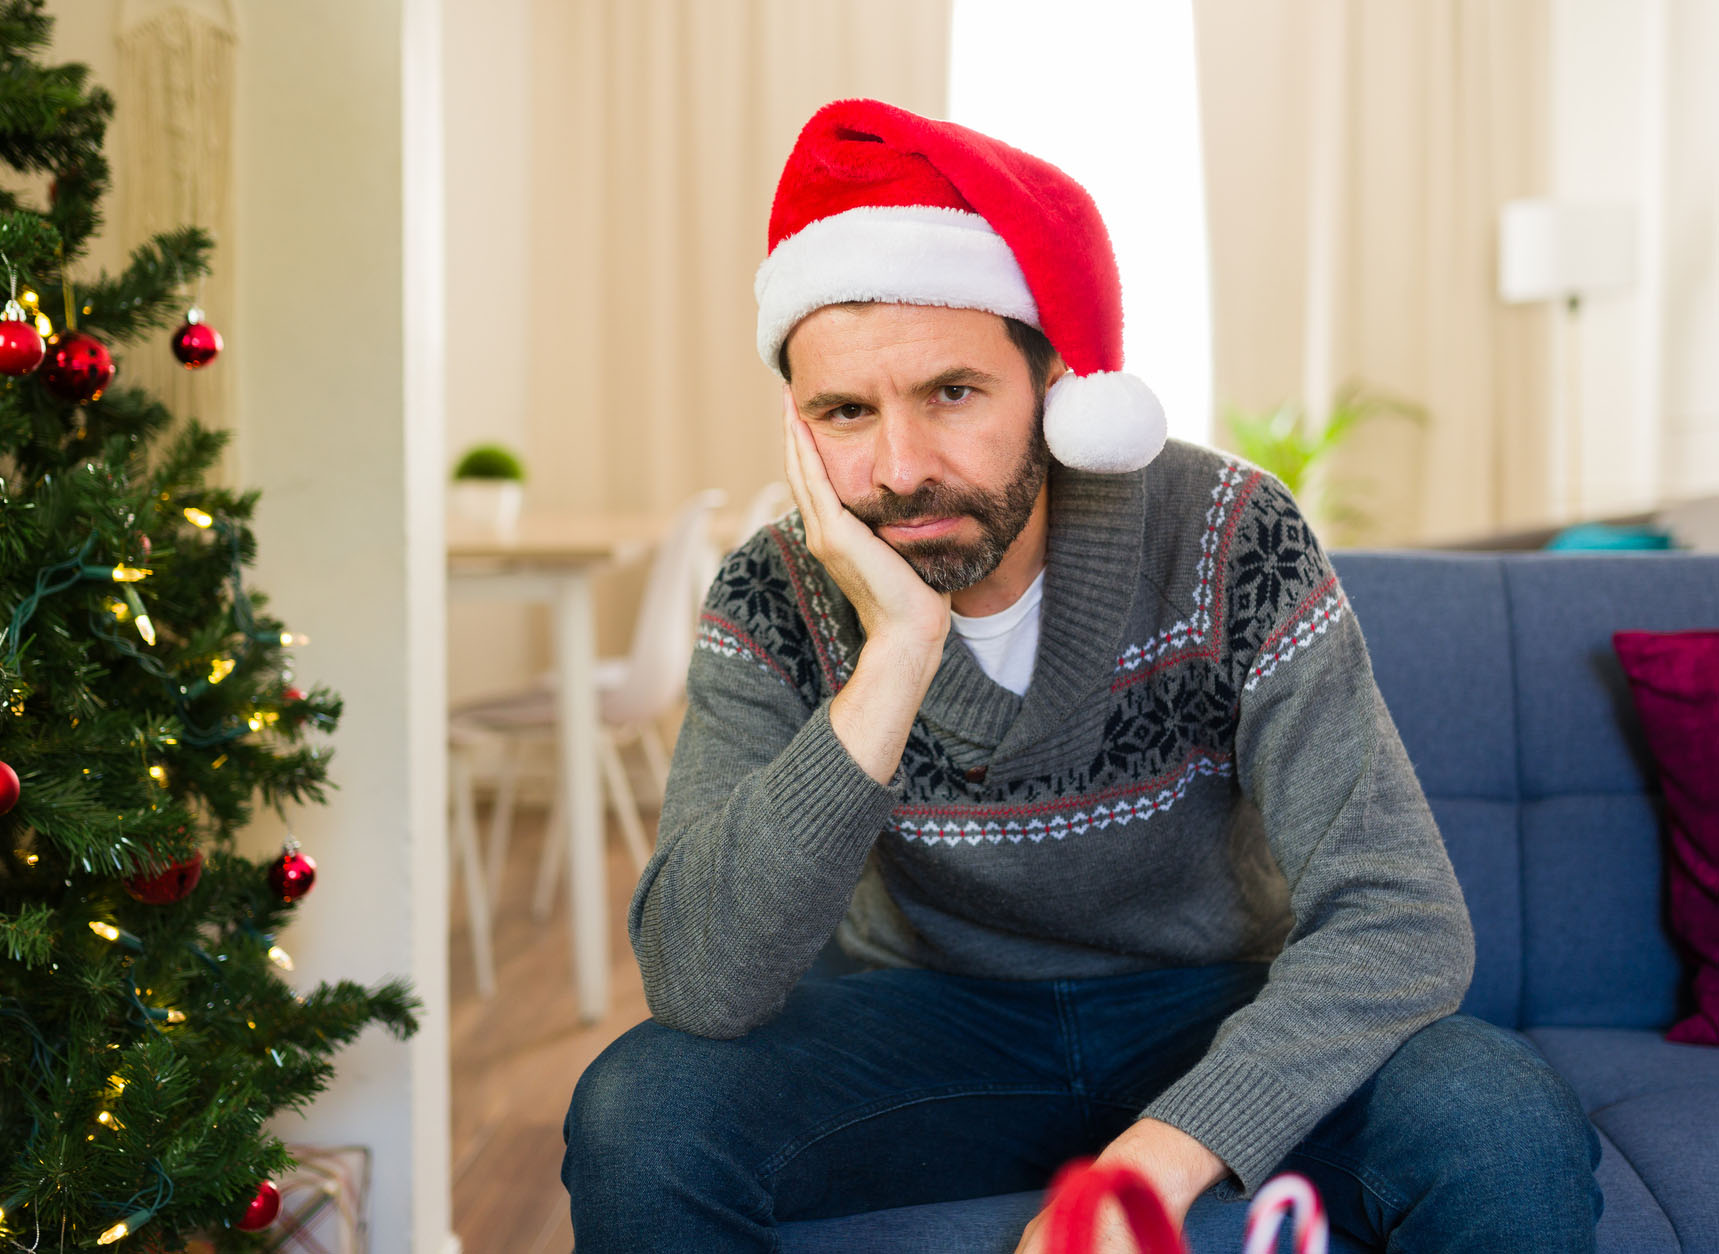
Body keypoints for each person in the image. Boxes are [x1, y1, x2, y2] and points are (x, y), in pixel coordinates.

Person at [561, 98, 1600, 1252]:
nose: (901, 470)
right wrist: (897, 651)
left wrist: (1156, 1165)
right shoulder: (775, 592)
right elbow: (702, 983)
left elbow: (1401, 917)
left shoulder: (1226, 530)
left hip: (1210, 1006)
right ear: (797, 429)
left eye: (953, 394)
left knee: (1496, 1116)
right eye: (845, 413)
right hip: (927, 1028)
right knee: (641, 1113)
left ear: (1051, 381)